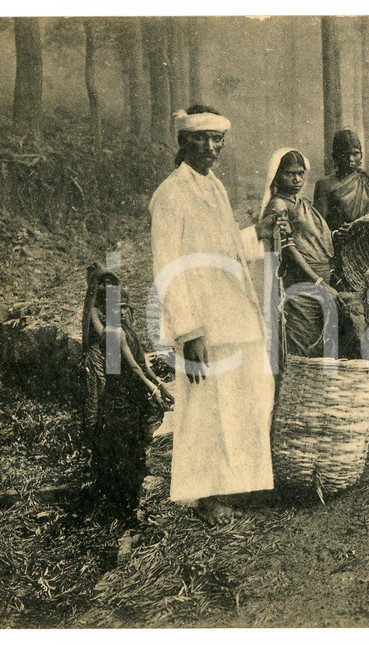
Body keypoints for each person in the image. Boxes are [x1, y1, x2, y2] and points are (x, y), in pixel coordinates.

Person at [150, 105, 274, 525]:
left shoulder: (214, 186)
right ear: (183, 142)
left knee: (243, 397)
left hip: (233, 310)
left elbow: (221, 247)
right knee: (205, 407)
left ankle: (237, 484)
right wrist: (189, 331)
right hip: (203, 318)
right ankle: (204, 495)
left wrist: (257, 235)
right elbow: (168, 267)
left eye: (216, 139)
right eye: (201, 138)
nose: (210, 146)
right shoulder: (170, 194)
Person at [82, 265, 173, 520]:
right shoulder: (112, 333)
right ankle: (121, 504)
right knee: (120, 446)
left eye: (124, 308)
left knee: (133, 444)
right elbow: (133, 367)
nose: (121, 312)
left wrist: (159, 383)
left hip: (130, 395)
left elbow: (142, 363)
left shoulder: (127, 331)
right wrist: (153, 388)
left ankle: (130, 499)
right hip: (118, 397)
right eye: (115, 308)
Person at [257, 148, 339, 358]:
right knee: (301, 349)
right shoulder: (278, 205)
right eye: (290, 174)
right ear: (277, 176)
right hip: (302, 286)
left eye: (301, 174)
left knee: (319, 351)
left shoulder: (300, 203)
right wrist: (319, 282)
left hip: (319, 282)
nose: (297, 179)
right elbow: (289, 249)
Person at [313, 128, 369, 236]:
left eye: (355, 153)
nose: (351, 159)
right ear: (335, 157)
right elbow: (318, 227)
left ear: (361, 155)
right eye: (344, 154)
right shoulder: (324, 185)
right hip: (338, 242)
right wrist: (335, 234)